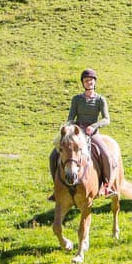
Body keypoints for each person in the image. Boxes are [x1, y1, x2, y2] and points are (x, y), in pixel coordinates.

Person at [51, 69, 115, 198]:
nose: (89, 82)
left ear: (94, 82)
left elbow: (106, 119)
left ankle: (107, 186)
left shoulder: (100, 99)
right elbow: (71, 117)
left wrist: (94, 126)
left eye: (91, 80)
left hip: (92, 133)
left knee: (106, 155)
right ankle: (56, 188)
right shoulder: (76, 99)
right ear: (83, 83)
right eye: (86, 80)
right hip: (77, 132)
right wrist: (70, 127)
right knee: (53, 155)